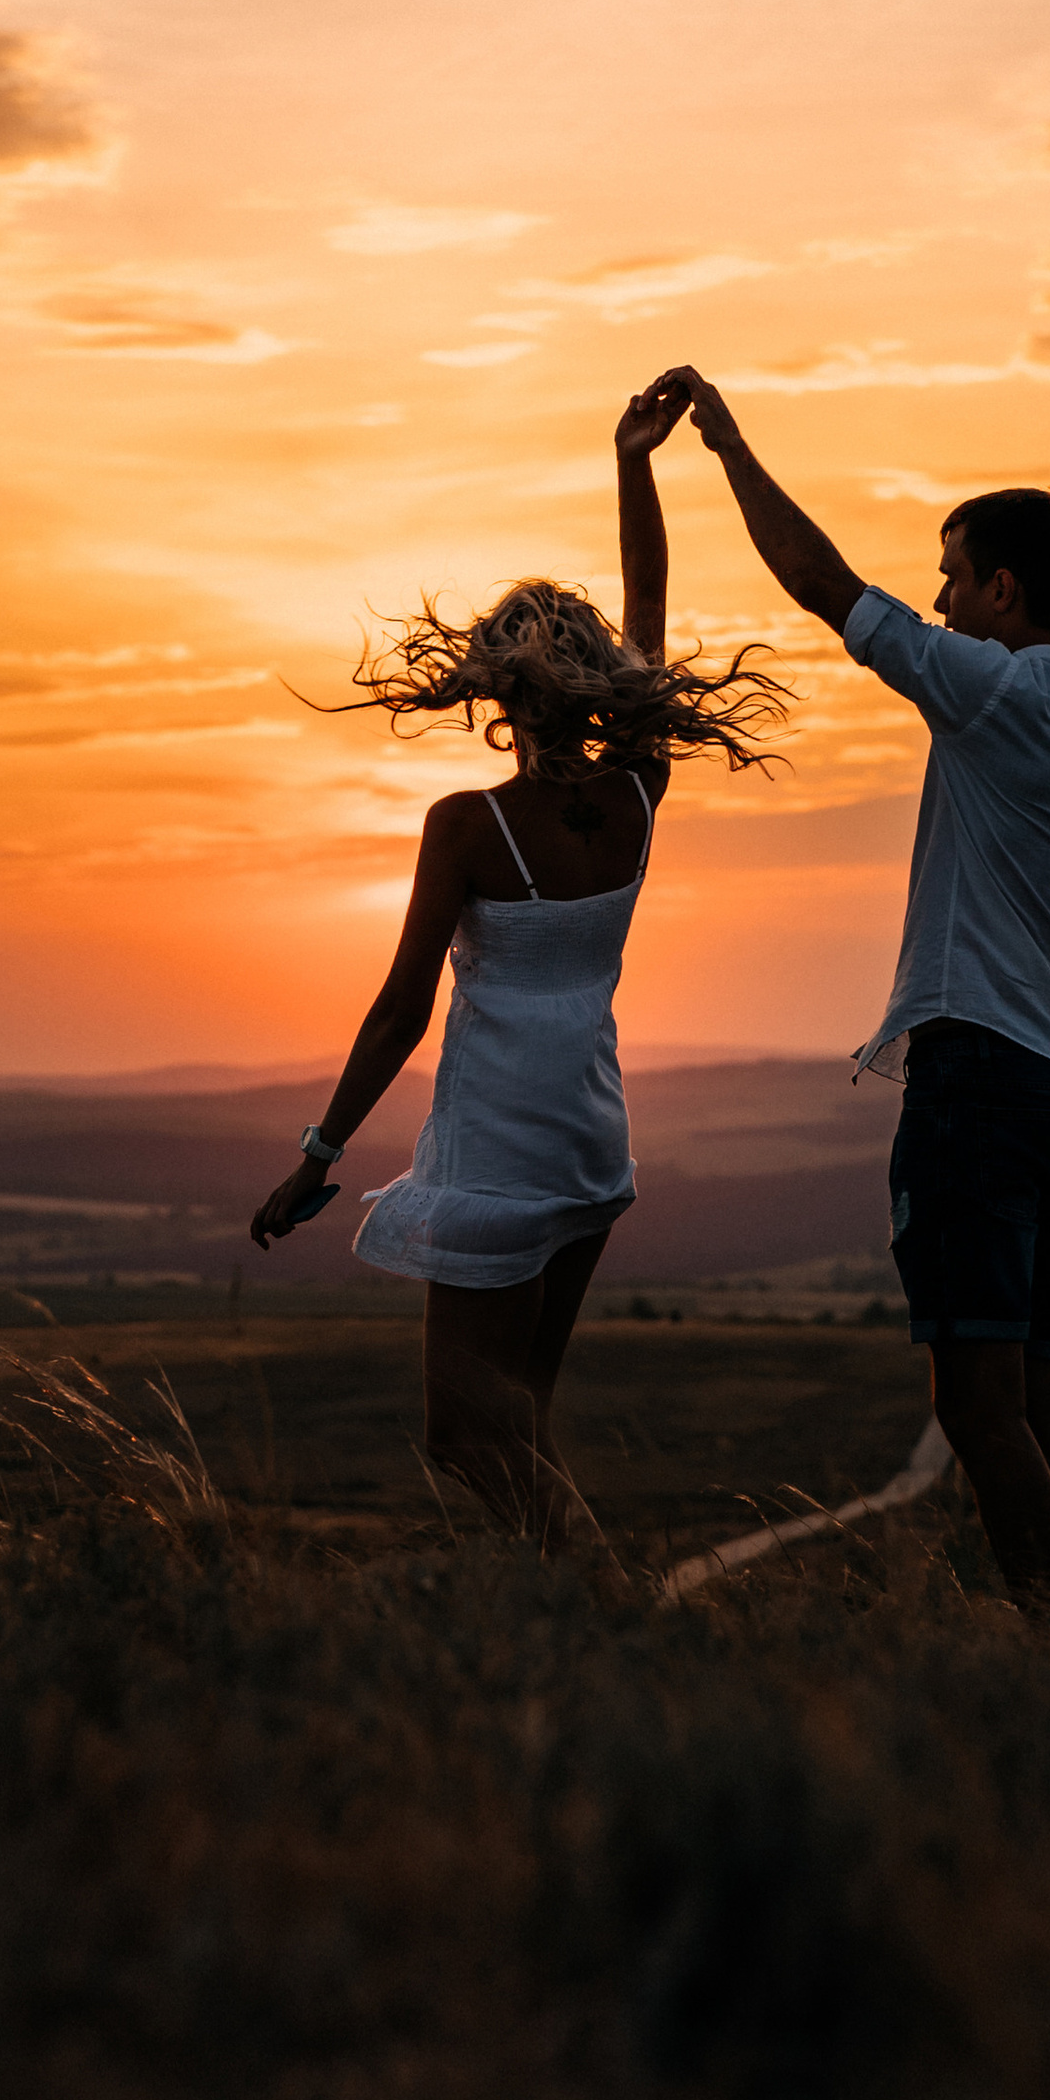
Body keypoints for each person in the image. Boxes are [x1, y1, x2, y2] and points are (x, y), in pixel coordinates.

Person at [248, 379, 786, 1547]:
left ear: (497, 684)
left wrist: (318, 1153)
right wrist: (634, 464)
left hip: (499, 1150)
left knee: (463, 1438)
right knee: (521, 1425)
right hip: (591, 1138)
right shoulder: (640, 789)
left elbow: (400, 1010)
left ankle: (611, 1607)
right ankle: (576, 1633)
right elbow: (649, 612)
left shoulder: (465, 826)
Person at [656, 367, 1050, 1614]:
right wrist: (1045, 1049)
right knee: (1044, 1396)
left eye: (950, 574)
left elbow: (828, 591)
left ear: (1002, 592)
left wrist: (725, 447)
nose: (934, 597)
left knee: (975, 1409)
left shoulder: (995, 693)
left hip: (979, 1081)